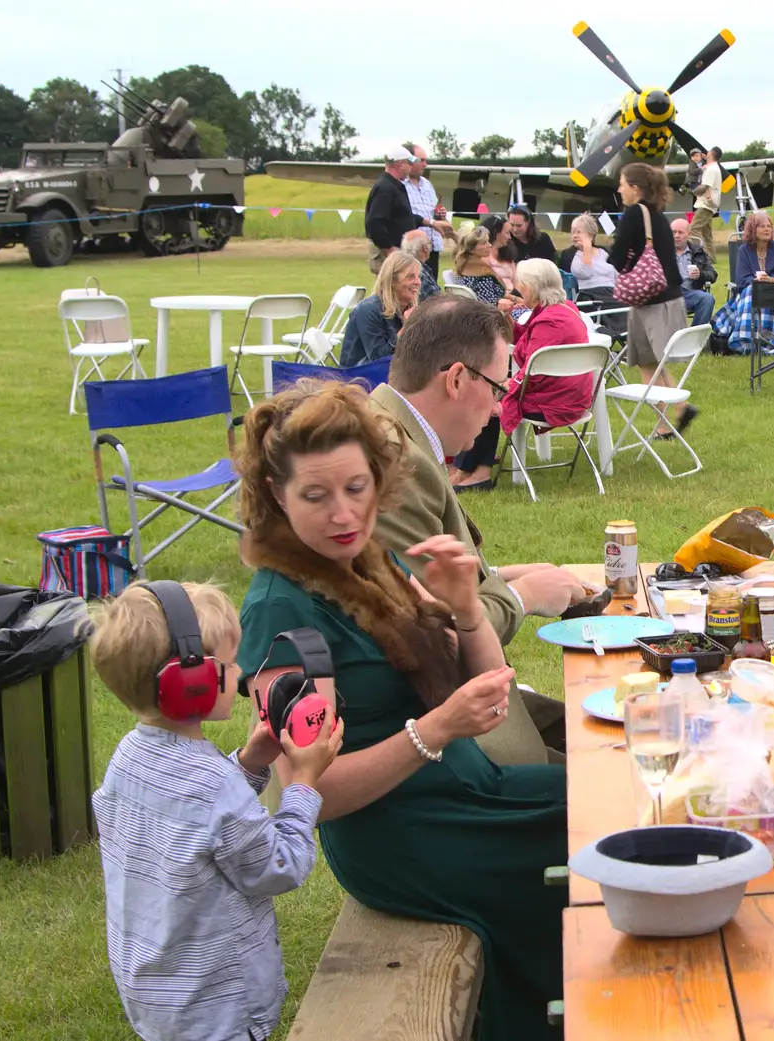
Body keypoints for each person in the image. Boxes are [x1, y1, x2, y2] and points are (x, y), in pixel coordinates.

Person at [233, 379, 568, 1041]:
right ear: (276, 495)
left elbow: (489, 688)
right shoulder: (281, 611)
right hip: (399, 835)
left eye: (356, 488)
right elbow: (312, 793)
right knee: (585, 853)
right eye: (316, 495)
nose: (342, 514)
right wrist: (435, 729)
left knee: (610, 804)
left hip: (469, 788)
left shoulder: (368, 557)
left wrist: (467, 606)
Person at [90, 580, 342, 1041]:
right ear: (190, 682)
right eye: (227, 666)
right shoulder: (213, 787)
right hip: (217, 1004)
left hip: (158, 991)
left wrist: (248, 763)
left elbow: (199, 822)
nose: (241, 671)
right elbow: (279, 867)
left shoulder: (127, 758)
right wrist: (304, 782)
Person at [369, 295, 591, 638]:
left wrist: (506, 575)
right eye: (496, 389)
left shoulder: (392, 431)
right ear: (456, 379)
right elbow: (440, 626)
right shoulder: (398, 461)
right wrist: (525, 595)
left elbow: (435, 580)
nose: (499, 408)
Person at [612, 162, 695, 437]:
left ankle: (676, 413)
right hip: (663, 299)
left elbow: (617, 255)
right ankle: (669, 421)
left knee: (650, 365)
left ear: (635, 189)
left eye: (623, 184)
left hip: (651, 302)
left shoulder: (635, 214)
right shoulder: (658, 214)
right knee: (650, 365)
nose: (619, 189)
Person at [500, 259, 597, 439]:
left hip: (554, 402)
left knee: (482, 396)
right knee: (489, 391)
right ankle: (476, 462)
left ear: (529, 288)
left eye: (520, 284)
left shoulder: (548, 322)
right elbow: (524, 338)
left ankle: (472, 464)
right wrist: (507, 317)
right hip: (575, 396)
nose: (517, 289)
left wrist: (506, 385)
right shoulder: (566, 307)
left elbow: (532, 372)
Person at [711, 209, 774, 356]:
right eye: (762, 226)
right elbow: (740, 280)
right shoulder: (744, 250)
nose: (767, 229)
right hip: (750, 291)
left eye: (769, 226)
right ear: (753, 230)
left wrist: (771, 280)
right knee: (752, 292)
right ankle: (746, 341)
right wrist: (756, 281)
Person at [341, 250, 421, 367]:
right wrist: (407, 327)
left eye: (418, 277)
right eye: (410, 277)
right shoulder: (368, 310)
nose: (418, 282)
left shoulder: (407, 310)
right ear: (392, 280)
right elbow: (378, 359)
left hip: (396, 375)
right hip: (358, 377)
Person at [364, 147, 421, 275]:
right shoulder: (385, 188)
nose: (411, 167)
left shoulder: (393, 186)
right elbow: (374, 222)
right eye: (409, 163)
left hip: (396, 251)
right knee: (389, 292)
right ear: (400, 164)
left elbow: (400, 217)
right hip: (389, 253)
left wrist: (428, 222)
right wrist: (389, 249)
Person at [402, 143, 453, 279]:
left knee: (432, 290)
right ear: (409, 160)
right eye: (421, 160)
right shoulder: (400, 185)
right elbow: (403, 216)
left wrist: (439, 214)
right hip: (413, 247)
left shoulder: (427, 184)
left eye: (426, 160)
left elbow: (433, 210)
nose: (425, 164)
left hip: (432, 246)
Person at [671, 217, 717, 328]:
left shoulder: (698, 252)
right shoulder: (662, 251)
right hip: (669, 294)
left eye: (680, 232)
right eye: (673, 232)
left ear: (688, 234)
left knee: (707, 298)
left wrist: (700, 275)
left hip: (690, 293)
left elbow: (713, 274)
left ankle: (694, 337)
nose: (676, 235)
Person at [452, 224, 510, 307]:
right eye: (484, 243)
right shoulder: (482, 276)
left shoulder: (462, 268)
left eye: (488, 241)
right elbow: (489, 305)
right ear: (471, 249)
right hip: (493, 314)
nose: (489, 245)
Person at [565, 214, 618, 292]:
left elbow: (616, 275)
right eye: (573, 232)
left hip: (611, 293)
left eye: (578, 232)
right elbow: (586, 273)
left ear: (591, 236)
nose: (574, 236)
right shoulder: (570, 254)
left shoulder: (603, 252)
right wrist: (587, 247)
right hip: (589, 296)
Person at [694, 146, 723, 254]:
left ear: (711, 154)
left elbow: (704, 187)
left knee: (693, 229)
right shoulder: (711, 167)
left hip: (706, 204)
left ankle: (699, 253)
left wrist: (692, 191)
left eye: (708, 152)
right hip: (708, 204)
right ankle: (711, 257)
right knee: (707, 234)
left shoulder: (712, 169)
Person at [401, 229, 441, 301]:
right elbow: (434, 300)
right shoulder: (418, 271)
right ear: (425, 248)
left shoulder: (401, 266)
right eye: (429, 243)